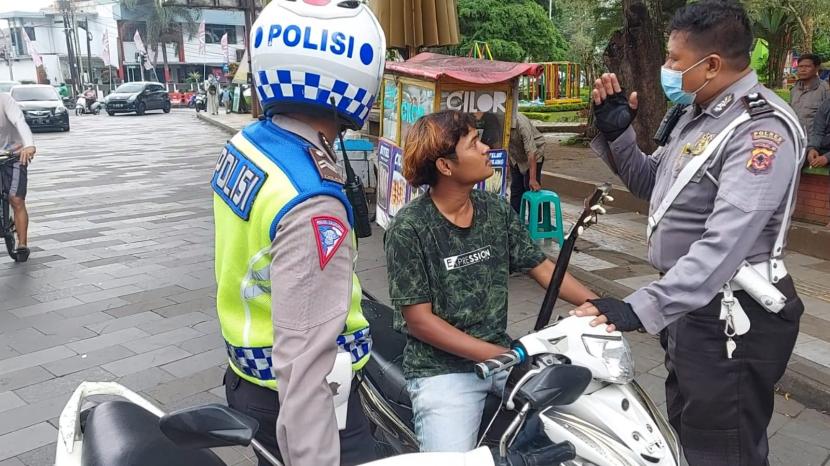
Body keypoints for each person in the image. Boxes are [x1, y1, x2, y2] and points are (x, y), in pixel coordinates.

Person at [574, 2, 806, 465]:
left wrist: (638, 308)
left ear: (712, 64)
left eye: (674, 60)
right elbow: (651, 185)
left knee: (722, 448)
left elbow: (725, 244)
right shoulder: (697, 115)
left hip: (733, 315)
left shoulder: (759, 130)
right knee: (688, 432)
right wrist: (618, 134)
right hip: (693, 308)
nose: (667, 69)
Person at [212, 1, 385, 465]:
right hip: (305, 400)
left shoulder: (249, 144)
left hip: (249, 375)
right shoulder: (313, 199)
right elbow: (306, 361)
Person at [384, 109, 598, 453]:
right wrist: (504, 354)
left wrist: (600, 305)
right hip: (443, 371)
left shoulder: (494, 209)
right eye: (474, 143)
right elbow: (420, 322)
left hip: (502, 356)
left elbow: (541, 266)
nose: (487, 149)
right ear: (445, 165)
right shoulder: (409, 228)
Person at [0, 92, 35, 262]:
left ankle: (22, 243)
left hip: (13, 155)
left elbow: (19, 121)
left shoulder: (4, 99)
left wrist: (29, 145)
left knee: (16, 199)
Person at [508, 112, 546, 212]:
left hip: (534, 153)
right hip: (515, 155)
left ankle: (535, 222)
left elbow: (531, 152)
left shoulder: (521, 123)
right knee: (516, 188)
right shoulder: (499, 121)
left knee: (529, 187)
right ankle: (514, 219)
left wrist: (533, 179)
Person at [790, 53, 829, 136]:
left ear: (816, 68)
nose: (803, 70)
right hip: (796, 139)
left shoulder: (825, 89)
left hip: (816, 144)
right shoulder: (795, 89)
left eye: (807, 66)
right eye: (800, 67)